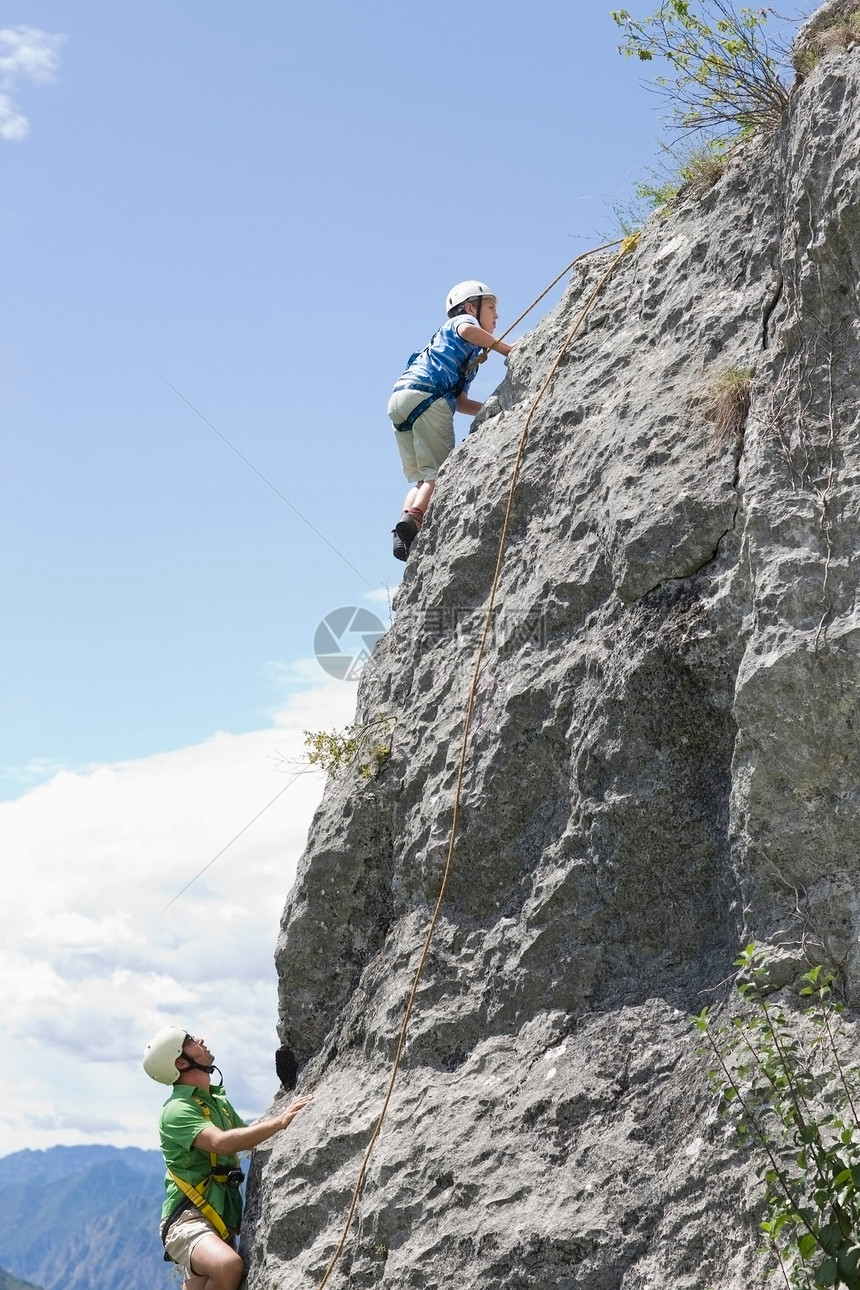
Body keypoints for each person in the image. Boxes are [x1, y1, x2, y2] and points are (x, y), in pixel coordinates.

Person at [142, 1026, 312, 1290]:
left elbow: (243, 1135)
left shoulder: (215, 1100)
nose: (200, 1040)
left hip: (218, 1218)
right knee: (228, 1266)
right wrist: (280, 1122)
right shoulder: (176, 1110)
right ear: (181, 1062)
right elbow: (221, 1144)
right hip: (188, 1219)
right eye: (189, 1041)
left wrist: (282, 1121)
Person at [388, 280, 515, 561]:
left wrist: (492, 408)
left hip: (402, 399)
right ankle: (415, 519)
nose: (496, 316)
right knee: (439, 473)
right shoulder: (462, 324)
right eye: (491, 308)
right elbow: (468, 329)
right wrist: (506, 349)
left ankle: (403, 527)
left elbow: (460, 402)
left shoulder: (465, 357)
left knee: (422, 479)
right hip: (429, 395)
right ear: (471, 307)